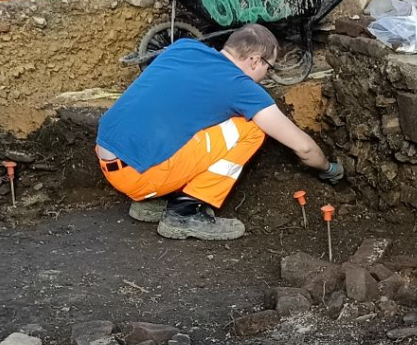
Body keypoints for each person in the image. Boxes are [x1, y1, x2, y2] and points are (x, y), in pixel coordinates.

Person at [95, 24, 344, 241]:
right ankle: (184, 212)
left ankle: (152, 202)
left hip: (111, 157)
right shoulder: (240, 86)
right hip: (140, 175)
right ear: (255, 60)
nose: (266, 75)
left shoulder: (185, 48)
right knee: (252, 128)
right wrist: (328, 169)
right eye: (269, 67)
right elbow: (304, 147)